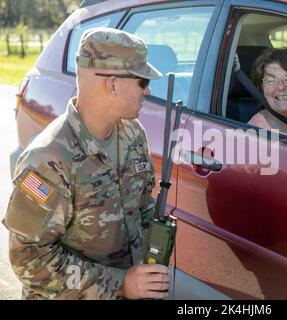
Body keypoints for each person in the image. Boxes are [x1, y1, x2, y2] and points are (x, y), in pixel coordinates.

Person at [2, 27, 170, 299]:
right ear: (112, 84)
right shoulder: (48, 159)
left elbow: (141, 205)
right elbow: (28, 258)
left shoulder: (132, 134)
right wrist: (121, 285)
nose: (148, 90)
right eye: (141, 81)